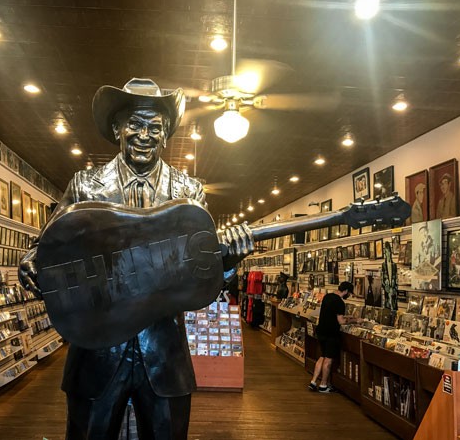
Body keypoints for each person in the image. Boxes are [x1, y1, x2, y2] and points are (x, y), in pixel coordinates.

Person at [19, 78, 254, 440]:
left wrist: (228, 262)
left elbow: (200, 275)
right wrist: (32, 264)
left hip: (163, 352)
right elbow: (48, 246)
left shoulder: (188, 192)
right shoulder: (85, 185)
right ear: (117, 128)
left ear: (165, 135)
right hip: (96, 350)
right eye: (136, 124)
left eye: (155, 127)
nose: (145, 135)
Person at [309, 281, 357, 393]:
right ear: (345, 291)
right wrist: (354, 320)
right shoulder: (340, 302)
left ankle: (313, 381)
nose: (349, 296)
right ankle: (323, 385)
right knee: (328, 359)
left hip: (321, 330)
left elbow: (330, 313)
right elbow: (340, 321)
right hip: (331, 332)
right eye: (349, 293)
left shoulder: (327, 297)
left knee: (322, 356)